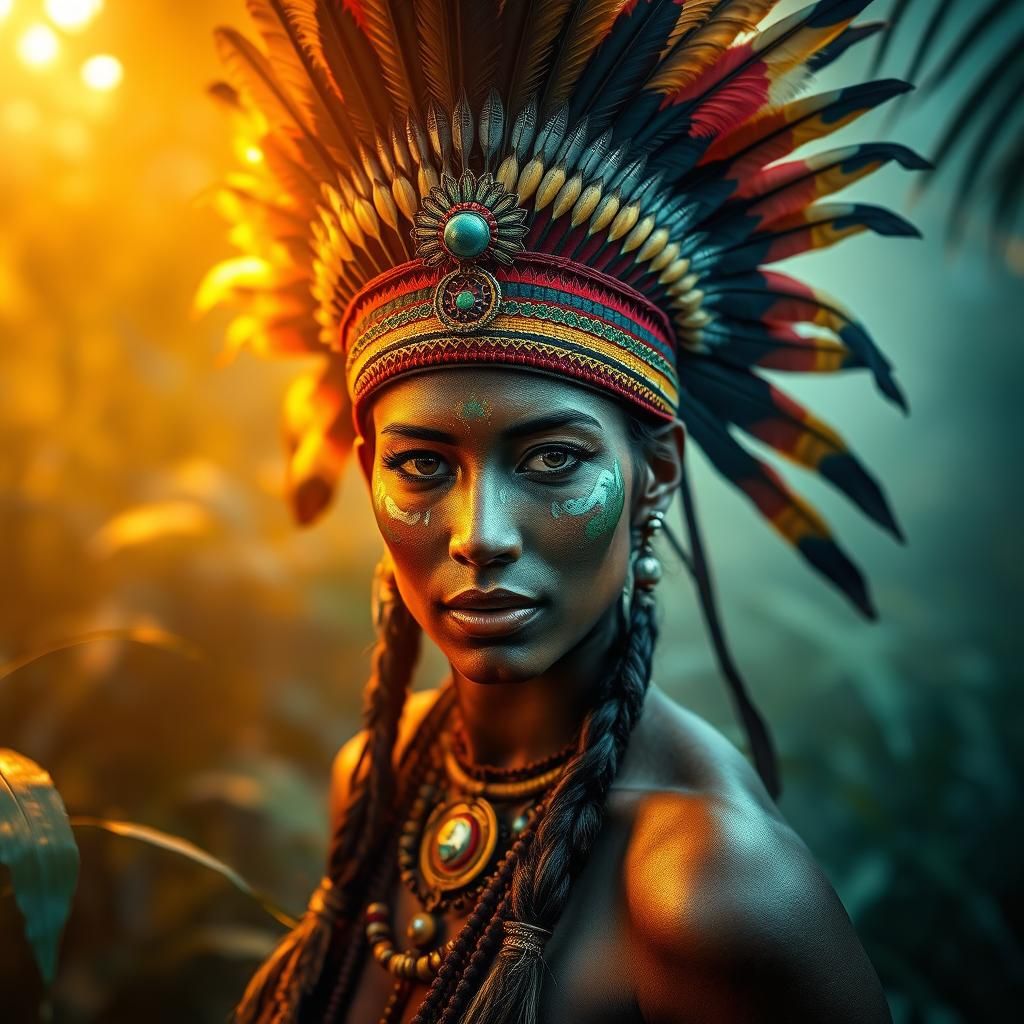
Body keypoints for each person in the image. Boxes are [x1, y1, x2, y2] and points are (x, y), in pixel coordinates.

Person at [197, 2, 921, 1021]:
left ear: (656, 470)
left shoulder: (709, 890)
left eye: (548, 459)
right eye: (421, 465)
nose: (480, 533)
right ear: (365, 470)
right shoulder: (374, 781)